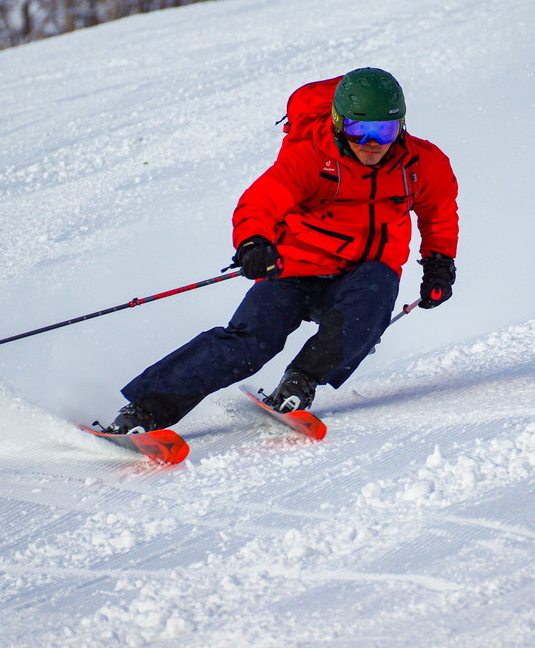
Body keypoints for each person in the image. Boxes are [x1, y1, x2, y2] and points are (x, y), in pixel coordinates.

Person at [100, 67, 459, 433]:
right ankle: (144, 411)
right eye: (358, 129)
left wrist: (439, 265)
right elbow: (261, 202)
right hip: (293, 270)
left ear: (400, 127)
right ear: (338, 123)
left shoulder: (422, 165)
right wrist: (253, 242)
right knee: (249, 343)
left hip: (361, 276)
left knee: (375, 292)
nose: (371, 142)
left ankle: (300, 381)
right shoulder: (311, 157)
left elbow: (439, 214)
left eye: (383, 130)